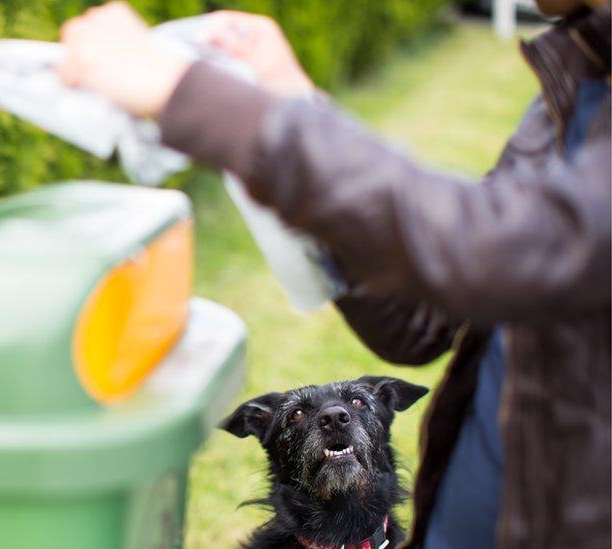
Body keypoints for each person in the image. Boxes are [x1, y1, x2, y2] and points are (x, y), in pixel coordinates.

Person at [58, 2, 611, 548]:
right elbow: (419, 321)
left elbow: (502, 245)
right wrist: (289, 96)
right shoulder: (573, 80)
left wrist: (194, 97)